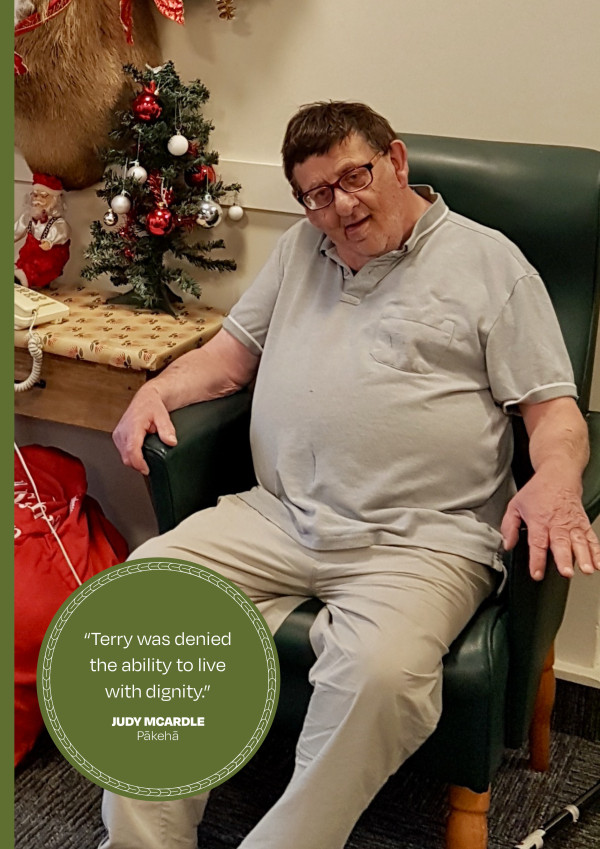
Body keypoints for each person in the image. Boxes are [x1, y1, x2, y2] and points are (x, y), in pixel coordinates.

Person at [105, 102, 600, 849]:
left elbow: (553, 412)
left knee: (381, 675)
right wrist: (156, 389)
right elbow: (229, 358)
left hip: (421, 542)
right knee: (143, 597)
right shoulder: (303, 249)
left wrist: (557, 478)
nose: (338, 207)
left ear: (395, 161)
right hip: (278, 515)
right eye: (315, 194)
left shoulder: (490, 263)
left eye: (352, 178)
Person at [14, 172, 71, 289]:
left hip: (49, 254)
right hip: (30, 252)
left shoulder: (57, 222)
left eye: (44, 196)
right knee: (25, 263)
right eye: (35, 195)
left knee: (41, 265)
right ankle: (22, 277)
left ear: (54, 200)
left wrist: (50, 241)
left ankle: (23, 279)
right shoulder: (28, 217)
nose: (37, 200)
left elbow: (63, 231)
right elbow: (16, 231)